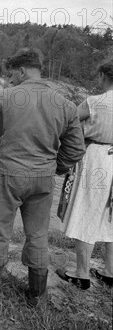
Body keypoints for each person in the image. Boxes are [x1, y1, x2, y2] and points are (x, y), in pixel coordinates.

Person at [0, 48, 85, 306]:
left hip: (7, 174)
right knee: (38, 235)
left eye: (12, 75)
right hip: (43, 178)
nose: (11, 80)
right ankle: (37, 296)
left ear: (22, 70)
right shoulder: (65, 104)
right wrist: (54, 167)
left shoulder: (5, 96)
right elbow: (76, 148)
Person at [56, 61, 113, 289]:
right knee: (111, 215)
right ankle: (110, 271)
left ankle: (81, 273)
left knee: (87, 210)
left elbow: (67, 120)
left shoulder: (95, 102)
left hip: (96, 157)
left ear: (102, 76)